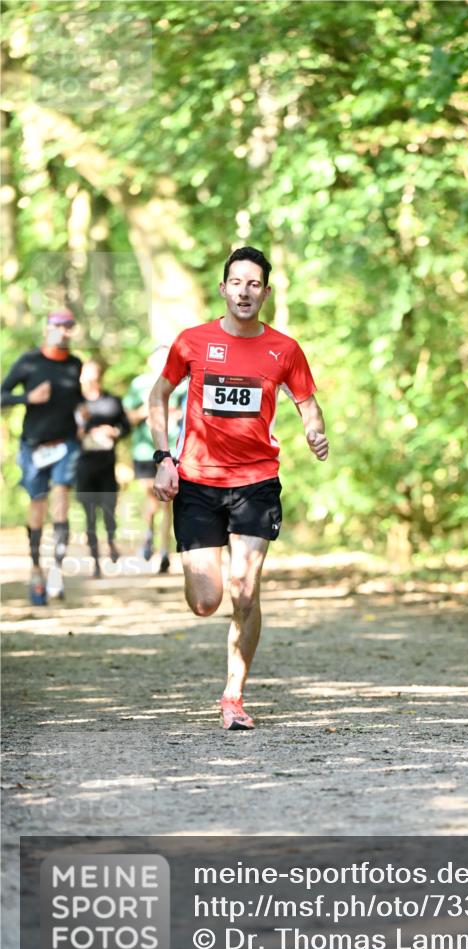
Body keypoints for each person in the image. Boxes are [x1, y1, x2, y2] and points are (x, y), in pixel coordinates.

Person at [148, 246, 328, 731]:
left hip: (257, 482)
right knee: (206, 601)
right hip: (198, 482)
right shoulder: (192, 342)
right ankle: (204, 578)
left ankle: (234, 696)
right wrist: (164, 458)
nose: (245, 292)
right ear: (223, 288)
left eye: (255, 285)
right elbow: (159, 396)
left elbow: (308, 403)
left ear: (265, 293)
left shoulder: (284, 349)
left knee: (245, 590)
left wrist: (315, 430)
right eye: (237, 283)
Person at [1, 308, 83, 604]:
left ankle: (56, 574)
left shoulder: (75, 364)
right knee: (38, 504)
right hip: (34, 446)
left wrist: (84, 414)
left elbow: (77, 400)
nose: (62, 331)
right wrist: (28, 398)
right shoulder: (29, 361)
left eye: (68, 326)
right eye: (57, 326)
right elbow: (2, 395)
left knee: (61, 501)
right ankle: (36, 568)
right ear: (46, 328)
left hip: (67, 444)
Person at [123, 347, 185, 574]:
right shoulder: (139, 383)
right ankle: (147, 535)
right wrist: (148, 411)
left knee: (167, 501)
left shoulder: (181, 382)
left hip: (170, 449)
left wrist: (177, 413)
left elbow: (190, 410)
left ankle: (164, 551)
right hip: (143, 449)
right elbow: (128, 416)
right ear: (149, 360)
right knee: (150, 497)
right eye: (157, 357)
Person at [76, 359, 130, 578]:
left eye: (93, 375)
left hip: (107, 465)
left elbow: (125, 427)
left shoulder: (112, 402)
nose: (89, 380)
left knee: (108, 511)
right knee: (89, 516)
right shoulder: (76, 403)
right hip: (83, 464)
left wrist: (114, 432)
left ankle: (111, 541)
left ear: (99, 377)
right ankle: (96, 562)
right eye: (85, 375)